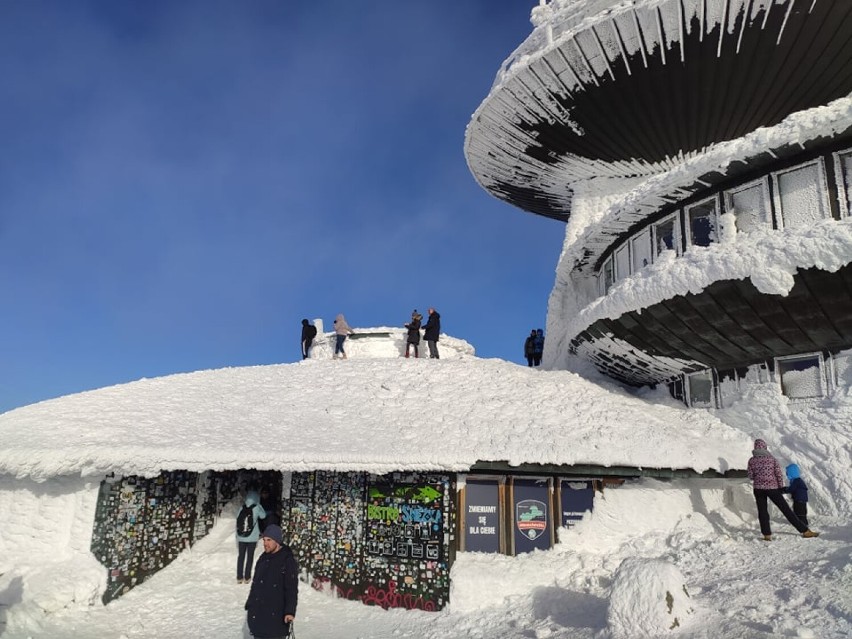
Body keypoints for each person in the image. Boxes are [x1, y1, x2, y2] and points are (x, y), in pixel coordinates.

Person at [746, 439, 819, 541]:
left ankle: (767, 535)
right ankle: (805, 531)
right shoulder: (772, 459)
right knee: (786, 510)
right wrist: (780, 487)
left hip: (758, 489)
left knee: (762, 511)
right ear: (765, 447)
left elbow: (750, 476)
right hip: (772, 488)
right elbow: (778, 475)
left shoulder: (751, 460)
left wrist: (758, 478)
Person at [245, 524, 298, 639]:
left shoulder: (287, 560)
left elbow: (291, 589)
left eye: (269, 540)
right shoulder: (263, 558)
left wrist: (290, 611)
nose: (265, 543)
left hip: (276, 622)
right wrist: (250, 605)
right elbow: (256, 585)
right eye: (264, 540)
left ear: (277, 541)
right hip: (258, 621)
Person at [236, 489, 267, 584]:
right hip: (252, 537)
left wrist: (237, 536)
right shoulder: (257, 507)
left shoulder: (242, 507)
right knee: (250, 557)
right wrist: (259, 505)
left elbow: (238, 520)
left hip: (241, 536)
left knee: (241, 556)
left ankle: (239, 577)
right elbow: (263, 516)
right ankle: (247, 577)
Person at [783, 463, 810, 528]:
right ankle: (803, 522)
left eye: (787, 473)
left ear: (791, 473)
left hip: (799, 499)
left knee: (799, 512)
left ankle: (802, 524)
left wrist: (784, 490)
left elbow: (791, 489)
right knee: (802, 511)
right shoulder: (798, 480)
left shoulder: (796, 481)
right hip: (801, 499)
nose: (787, 474)